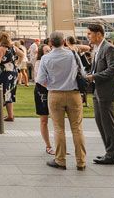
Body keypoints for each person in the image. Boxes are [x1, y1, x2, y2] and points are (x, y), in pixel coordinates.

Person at [36, 32, 87, 171]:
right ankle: (81, 161)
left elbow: (40, 79)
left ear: (50, 43)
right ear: (64, 41)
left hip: (55, 94)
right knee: (77, 128)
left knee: (59, 129)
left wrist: (51, 85)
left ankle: (60, 159)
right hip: (73, 93)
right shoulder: (73, 55)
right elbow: (82, 73)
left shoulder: (46, 58)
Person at [85, 24, 114, 165]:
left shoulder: (109, 48)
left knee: (107, 123)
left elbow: (113, 69)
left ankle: (111, 154)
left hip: (106, 90)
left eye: (89, 33)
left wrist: (94, 77)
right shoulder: (98, 48)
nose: (88, 36)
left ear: (99, 34)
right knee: (100, 122)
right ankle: (113, 151)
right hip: (98, 90)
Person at [0, 31, 18, 121]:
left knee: (3, 92)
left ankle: (3, 114)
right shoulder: (13, 48)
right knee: (9, 93)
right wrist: (16, 64)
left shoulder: (1, 48)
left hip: (4, 73)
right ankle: (10, 115)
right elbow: (22, 55)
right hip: (13, 72)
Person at [34, 43, 53, 154]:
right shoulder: (39, 63)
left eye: (50, 50)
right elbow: (40, 79)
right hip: (42, 90)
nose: (49, 53)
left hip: (52, 90)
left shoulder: (51, 61)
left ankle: (59, 146)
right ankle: (48, 146)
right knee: (44, 119)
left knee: (56, 120)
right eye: (46, 51)